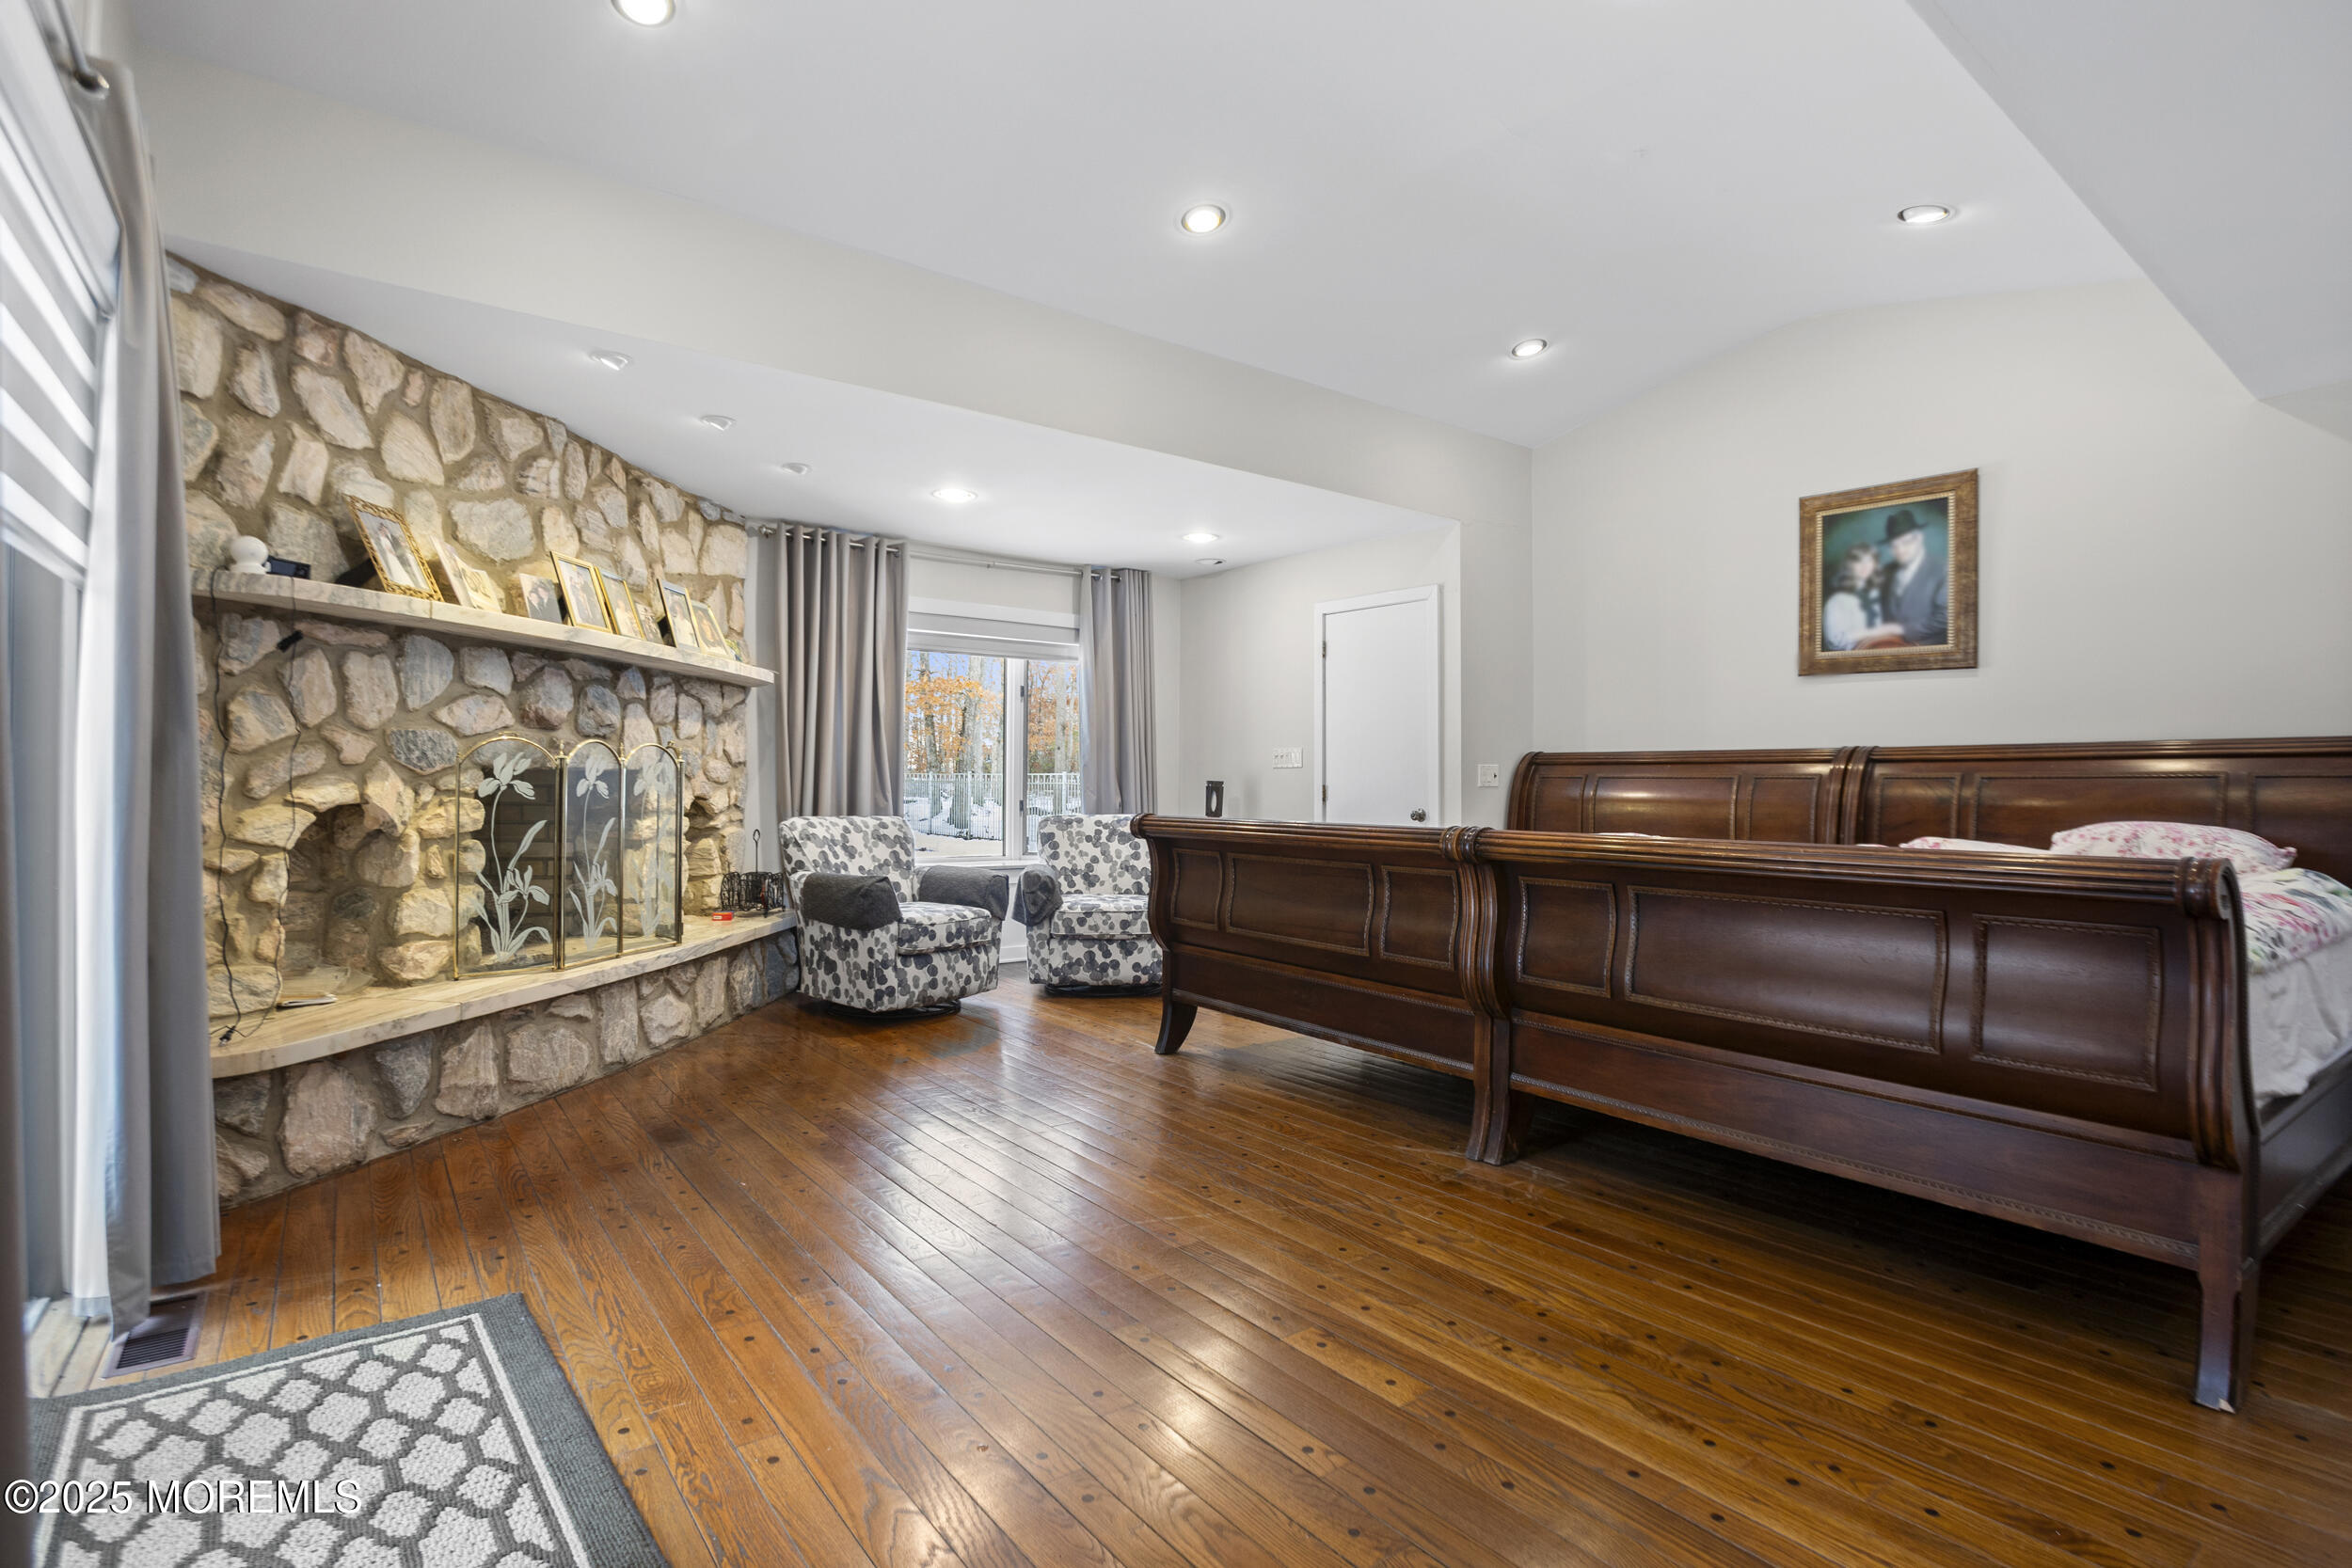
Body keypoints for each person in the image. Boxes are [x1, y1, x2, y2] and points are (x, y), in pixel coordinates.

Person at [1873, 509, 1947, 647]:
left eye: (1906, 542)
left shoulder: (1943, 569)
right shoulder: (1886, 571)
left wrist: (1903, 630)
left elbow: (1947, 616)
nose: (1900, 550)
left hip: (1931, 655)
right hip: (1889, 650)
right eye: (1894, 545)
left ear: (1919, 538)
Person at [1820, 543, 1883, 650]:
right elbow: (1835, 641)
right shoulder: (1837, 601)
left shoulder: (1876, 594)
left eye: (1869, 560)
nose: (1865, 566)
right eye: (1859, 561)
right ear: (1849, 565)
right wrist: (1873, 632)